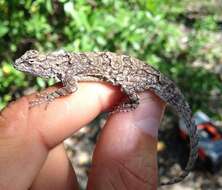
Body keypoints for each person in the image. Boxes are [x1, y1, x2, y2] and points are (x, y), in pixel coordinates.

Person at [0, 82, 165, 190]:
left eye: (30, 63)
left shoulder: (66, 72)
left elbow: (71, 88)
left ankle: (135, 103)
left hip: (132, 74)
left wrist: (51, 96)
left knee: (137, 100)